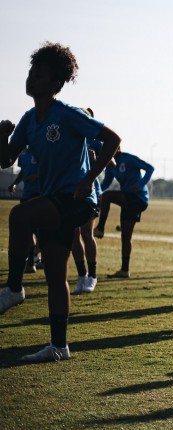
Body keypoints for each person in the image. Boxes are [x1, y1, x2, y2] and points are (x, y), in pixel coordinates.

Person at [0, 42, 121, 363]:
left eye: (39, 74)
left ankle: (14, 288)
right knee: (56, 276)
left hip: (77, 199)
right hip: (55, 199)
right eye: (30, 72)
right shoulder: (28, 119)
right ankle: (59, 347)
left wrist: (87, 179)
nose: (31, 78)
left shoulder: (67, 114)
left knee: (20, 216)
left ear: (55, 83)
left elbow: (113, 140)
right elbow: (5, 160)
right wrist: (2, 136)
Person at [93, 145, 155, 279]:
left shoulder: (129, 159)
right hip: (128, 200)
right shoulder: (110, 165)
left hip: (138, 198)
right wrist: (94, 192)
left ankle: (100, 227)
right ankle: (125, 270)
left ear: (117, 148)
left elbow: (150, 168)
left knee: (108, 196)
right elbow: (105, 184)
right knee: (126, 237)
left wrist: (140, 184)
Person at [71, 107, 106, 294]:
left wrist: (96, 160)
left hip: (91, 193)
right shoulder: (71, 137)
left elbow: (112, 162)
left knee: (86, 233)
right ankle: (81, 275)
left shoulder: (95, 140)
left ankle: (92, 275)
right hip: (70, 192)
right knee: (73, 236)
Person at [7, 147, 40, 273]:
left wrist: (37, 176)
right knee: (28, 230)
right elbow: (23, 171)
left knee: (39, 231)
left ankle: (38, 259)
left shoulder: (41, 149)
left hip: (40, 194)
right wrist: (14, 183)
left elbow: (50, 168)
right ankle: (31, 262)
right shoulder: (23, 154)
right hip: (26, 195)